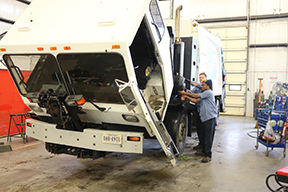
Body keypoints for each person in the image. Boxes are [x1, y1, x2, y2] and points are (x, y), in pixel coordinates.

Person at [179, 79, 217, 163]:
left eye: (203, 85)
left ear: (208, 86)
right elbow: (195, 101)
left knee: (208, 137)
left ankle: (208, 155)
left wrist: (185, 93)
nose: (202, 86)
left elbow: (196, 96)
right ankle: (204, 151)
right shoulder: (204, 94)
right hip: (204, 118)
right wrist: (187, 97)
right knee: (203, 136)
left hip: (209, 118)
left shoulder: (209, 92)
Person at [189, 72, 207, 151]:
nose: (201, 79)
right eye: (200, 77)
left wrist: (194, 83)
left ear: (205, 79)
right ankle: (200, 144)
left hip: (205, 113)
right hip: (198, 111)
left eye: (202, 77)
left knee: (204, 130)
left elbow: (196, 96)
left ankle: (205, 147)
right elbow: (191, 92)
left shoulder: (206, 89)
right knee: (199, 128)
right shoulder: (197, 88)